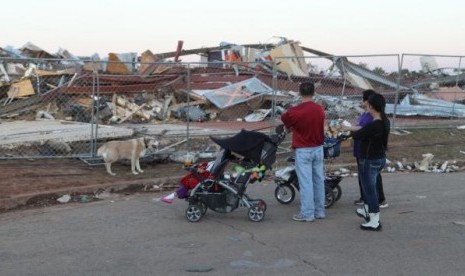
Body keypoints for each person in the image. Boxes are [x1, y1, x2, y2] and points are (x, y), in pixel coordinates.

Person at [281, 81, 326, 222]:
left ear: (299, 92)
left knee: (306, 183)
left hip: (303, 150)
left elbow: (285, 118)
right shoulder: (319, 109)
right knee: (318, 180)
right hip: (318, 149)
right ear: (314, 93)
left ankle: (307, 213)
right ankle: (320, 211)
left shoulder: (295, 111)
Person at [349, 93, 390, 231]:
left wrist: (349, 130)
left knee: (370, 191)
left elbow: (357, 135)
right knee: (369, 188)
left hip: (369, 160)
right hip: (380, 158)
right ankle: (367, 210)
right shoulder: (385, 121)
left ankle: (374, 220)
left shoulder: (374, 124)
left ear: (372, 106)